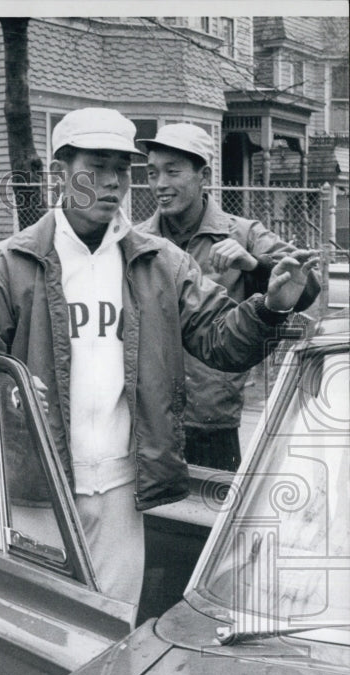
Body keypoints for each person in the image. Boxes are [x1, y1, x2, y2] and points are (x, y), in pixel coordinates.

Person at [0, 108, 319, 609]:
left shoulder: (160, 261)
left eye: (122, 170)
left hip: (124, 487)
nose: (112, 182)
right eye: (97, 166)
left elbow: (222, 341)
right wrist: (3, 386)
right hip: (37, 488)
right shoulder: (9, 262)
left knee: (113, 626)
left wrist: (273, 305)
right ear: (62, 170)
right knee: (46, 627)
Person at [136, 123, 320, 471]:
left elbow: (306, 285)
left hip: (212, 420)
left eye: (172, 172)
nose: (160, 184)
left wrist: (255, 263)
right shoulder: (137, 242)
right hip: (146, 419)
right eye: (151, 173)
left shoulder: (244, 232)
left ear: (203, 174)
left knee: (212, 519)